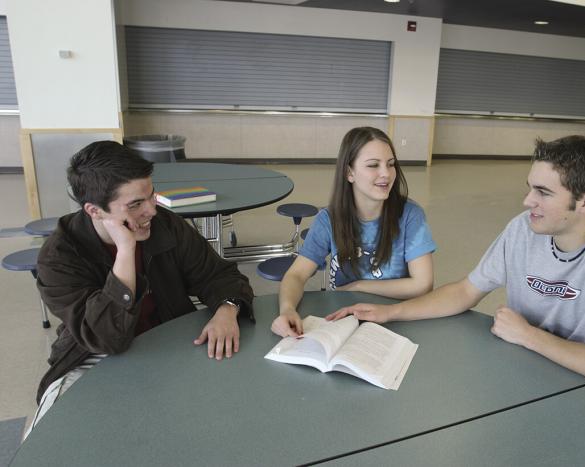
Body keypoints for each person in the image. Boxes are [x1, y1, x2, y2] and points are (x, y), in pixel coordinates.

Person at [328, 135, 585, 393]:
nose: (527, 201)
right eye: (529, 188)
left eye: (543, 193)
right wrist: (391, 312)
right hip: (521, 375)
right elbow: (465, 290)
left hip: (583, 388)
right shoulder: (523, 229)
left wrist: (528, 336)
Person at [28, 141, 254, 436]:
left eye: (151, 196)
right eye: (135, 204)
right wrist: (125, 251)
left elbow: (218, 275)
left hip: (169, 341)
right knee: (54, 437)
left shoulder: (167, 226)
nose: (152, 211)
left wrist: (227, 308)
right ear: (95, 211)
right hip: (91, 356)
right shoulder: (59, 257)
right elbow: (107, 338)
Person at [271, 127, 436, 337]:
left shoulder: (410, 216)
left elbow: (422, 284)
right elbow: (296, 274)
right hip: (342, 320)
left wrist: (359, 286)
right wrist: (287, 309)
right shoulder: (328, 219)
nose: (386, 173)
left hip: (396, 320)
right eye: (373, 165)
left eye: (391, 164)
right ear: (349, 173)